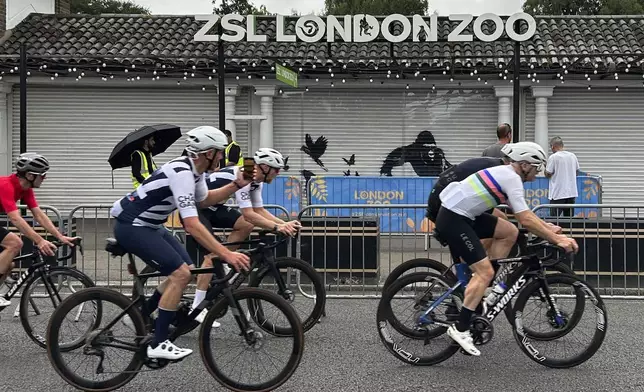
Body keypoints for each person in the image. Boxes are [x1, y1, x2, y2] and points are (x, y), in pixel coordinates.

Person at [110, 126, 252, 361]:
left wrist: (235, 185)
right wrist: (226, 253)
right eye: (218, 152)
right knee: (179, 275)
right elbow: (193, 225)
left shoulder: (194, 172)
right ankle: (159, 343)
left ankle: (141, 313)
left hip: (151, 225)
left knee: (187, 270)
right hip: (133, 225)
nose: (221, 156)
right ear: (207, 153)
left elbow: (205, 200)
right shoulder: (182, 173)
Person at [434, 142, 578, 356]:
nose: (537, 173)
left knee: (509, 232)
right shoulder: (511, 178)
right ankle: (461, 329)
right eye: (536, 168)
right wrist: (557, 240)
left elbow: (524, 213)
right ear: (525, 165)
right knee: (485, 271)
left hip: (465, 215)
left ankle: (487, 289)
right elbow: (526, 219)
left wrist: (547, 228)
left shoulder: (508, 175)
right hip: (453, 218)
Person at [189, 147, 301, 323]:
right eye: (276, 170)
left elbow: (259, 211)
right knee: (213, 255)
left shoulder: (258, 180)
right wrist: (277, 228)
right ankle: (196, 307)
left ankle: (224, 262)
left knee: (245, 225)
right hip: (195, 209)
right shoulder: (246, 175)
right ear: (264, 167)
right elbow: (249, 213)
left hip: (213, 208)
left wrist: (283, 224)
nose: (278, 173)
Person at [0, 153, 77, 307]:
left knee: (8, 265)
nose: (45, 178)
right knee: (15, 243)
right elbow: (15, 219)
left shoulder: (25, 189)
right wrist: (40, 241)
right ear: (29, 175)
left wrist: (60, 236)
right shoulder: (5, 185)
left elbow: (39, 215)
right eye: (42, 175)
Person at [545, 136, 580, 217]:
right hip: (571, 193)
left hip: (557, 194)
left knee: (554, 220)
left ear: (553, 146)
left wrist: (545, 168)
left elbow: (548, 174)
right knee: (569, 221)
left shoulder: (553, 157)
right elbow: (577, 172)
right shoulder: (572, 156)